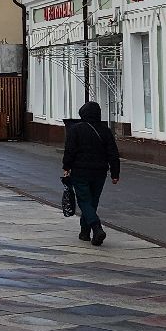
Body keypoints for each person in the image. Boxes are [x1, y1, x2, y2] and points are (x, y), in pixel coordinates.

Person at [62, 101, 121, 246]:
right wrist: (115, 173)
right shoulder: (105, 130)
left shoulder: (75, 129)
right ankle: (84, 233)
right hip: (99, 172)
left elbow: (70, 150)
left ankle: (96, 227)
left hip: (80, 171)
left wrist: (66, 166)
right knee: (92, 201)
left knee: (84, 201)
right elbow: (113, 153)